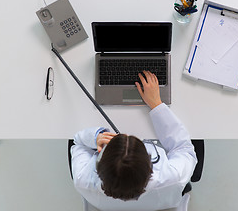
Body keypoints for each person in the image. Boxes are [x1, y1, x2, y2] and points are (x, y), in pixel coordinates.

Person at [71, 71, 197, 211]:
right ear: (150, 165)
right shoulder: (174, 177)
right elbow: (183, 148)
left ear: (99, 166)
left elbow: (78, 143)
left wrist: (95, 137)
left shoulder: (82, 179)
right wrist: (156, 104)